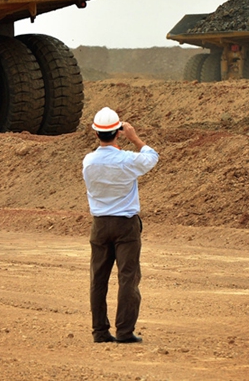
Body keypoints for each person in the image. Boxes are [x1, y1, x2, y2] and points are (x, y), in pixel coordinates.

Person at [82, 107, 159, 344]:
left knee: (99, 279)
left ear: (96, 134)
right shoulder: (127, 160)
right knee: (128, 277)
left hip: (100, 225)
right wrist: (134, 137)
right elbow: (152, 157)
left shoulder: (88, 161)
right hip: (125, 225)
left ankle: (100, 332)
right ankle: (125, 331)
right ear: (118, 132)